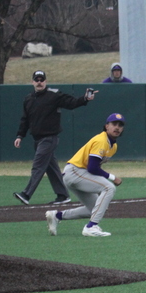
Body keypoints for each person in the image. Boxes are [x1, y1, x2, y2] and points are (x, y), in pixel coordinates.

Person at [13, 70, 97, 206]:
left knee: (38, 165)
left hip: (49, 138)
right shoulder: (28, 99)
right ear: (32, 82)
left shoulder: (54, 95)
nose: (39, 82)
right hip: (37, 139)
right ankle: (63, 195)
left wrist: (85, 98)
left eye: (42, 79)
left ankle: (26, 194)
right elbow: (25, 120)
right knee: (51, 168)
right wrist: (20, 135)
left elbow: (72, 102)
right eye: (37, 79)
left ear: (45, 81)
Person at [45, 113, 125, 238]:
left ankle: (56, 216)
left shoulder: (113, 146)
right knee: (109, 187)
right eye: (114, 124)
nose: (117, 127)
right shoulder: (101, 140)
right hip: (75, 172)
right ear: (106, 126)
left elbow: (94, 168)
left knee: (95, 209)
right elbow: (92, 167)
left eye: (120, 125)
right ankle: (91, 227)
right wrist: (113, 178)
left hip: (77, 174)